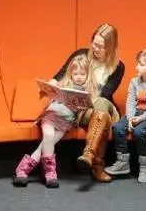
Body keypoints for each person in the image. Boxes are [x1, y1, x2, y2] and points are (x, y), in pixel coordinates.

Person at [51, 23, 125, 183]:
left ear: (110, 47)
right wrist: (50, 86)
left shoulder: (118, 66)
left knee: (102, 104)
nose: (95, 48)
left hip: (102, 106)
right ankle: (96, 163)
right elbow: (59, 76)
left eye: (101, 46)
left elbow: (106, 93)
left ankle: (89, 155)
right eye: (94, 43)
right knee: (101, 116)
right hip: (82, 111)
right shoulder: (81, 55)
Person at [12, 53, 96, 188]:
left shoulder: (89, 91)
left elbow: (88, 109)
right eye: (75, 74)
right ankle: (50, 174)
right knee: (49, 135)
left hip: (66, 121)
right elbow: (50, 97)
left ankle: (22, 169)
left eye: (82, 74)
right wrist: (46, 92)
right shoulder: (64, 84)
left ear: (88, 75)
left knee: (47, 142)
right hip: (52, 114)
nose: (78, 77)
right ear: (70, 74)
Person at [106, 48, 146, 184]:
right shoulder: (134, 82)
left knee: (139, 131)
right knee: (118, 128)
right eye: (137, 63)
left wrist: (140, 119)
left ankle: (144, 167)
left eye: (141, 64)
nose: (136, 67)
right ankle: (122, 162)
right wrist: (130, 118)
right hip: (136, 113)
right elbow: (131, 102)